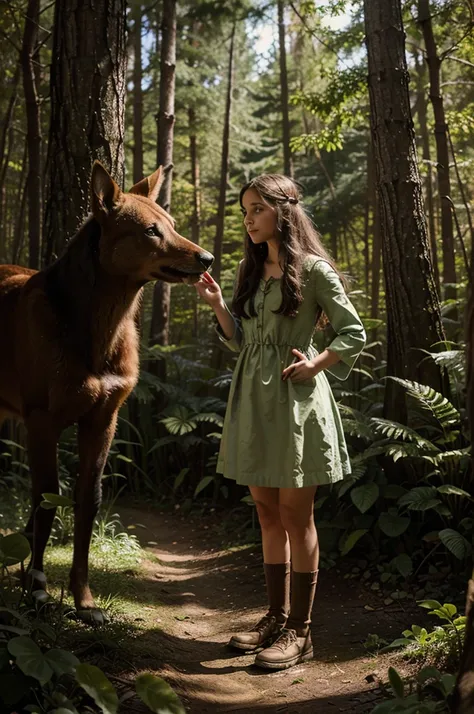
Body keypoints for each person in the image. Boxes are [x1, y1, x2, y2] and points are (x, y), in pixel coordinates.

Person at [194, 174, 366, 671]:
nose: (247, 218)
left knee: (296, 516)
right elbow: (242, 339)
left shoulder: (314, 271)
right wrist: (218, 308)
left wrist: (316, 362)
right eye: (244, 209)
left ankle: (301, 632)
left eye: (256, 209)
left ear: (283, 212)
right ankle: (275, 616)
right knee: (267, 512)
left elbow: (351, 331)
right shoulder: (251, 271)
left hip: (296, 402)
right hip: (252, 400)